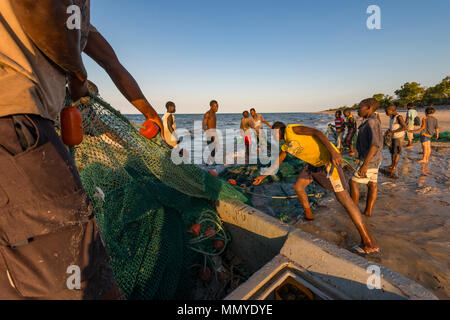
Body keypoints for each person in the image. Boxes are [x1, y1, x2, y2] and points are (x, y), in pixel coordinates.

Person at [0, 0, 164, 299]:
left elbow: (113, 66)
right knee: (90, 284)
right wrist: (77, 76)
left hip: (18, 130)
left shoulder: (77, 23)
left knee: (17, 280)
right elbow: (40, 5)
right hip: (16, 124)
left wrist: (151, 114)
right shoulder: (66, 16)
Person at [253, 122, 379, 255]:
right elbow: (277, 162)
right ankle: (309, 217)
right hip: (313, 165)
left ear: (279, 130)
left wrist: (333, 153)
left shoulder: (291, 129)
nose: (272, 137)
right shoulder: (285, 146)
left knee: (344, 199)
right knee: (298, 186)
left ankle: (369, 243)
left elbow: (317, 132)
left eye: (273, 133)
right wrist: (263, 176)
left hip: (328, 161)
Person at [349, 98, 383, 218]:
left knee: (353, 182)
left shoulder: (371, 122)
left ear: (369, 108)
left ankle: (354, 212)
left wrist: (365, 164)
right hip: (376, 159)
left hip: (371, 160)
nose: (358, 110)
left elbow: (374, 145)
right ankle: (367, 212)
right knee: (372, 184)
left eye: (360, 107)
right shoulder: (370, 121)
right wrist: (359, 156)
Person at [384, 105, 406, 178]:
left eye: (387, 111)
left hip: (398, 137)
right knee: (392, 151)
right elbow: (393, 126)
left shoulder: (399, 117)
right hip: (393, 136)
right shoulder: (391, 117)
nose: (385, 113)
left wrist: (393, 132)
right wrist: (389, 130)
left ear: (392, 110)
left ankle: (394, 166)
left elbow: (404, 127)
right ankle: (392, 164)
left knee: (396, 152)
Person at [203, 100, 219, 165]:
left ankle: (211, 164)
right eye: (214, 106)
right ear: (211, 106)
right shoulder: (207, 114)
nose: (216, 108)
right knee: (213, 151)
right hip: (210, 135)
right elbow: (204, 126)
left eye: (217, 106)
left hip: (214, 134)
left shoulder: (214, 114)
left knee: (215, 150)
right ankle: (207, 165)